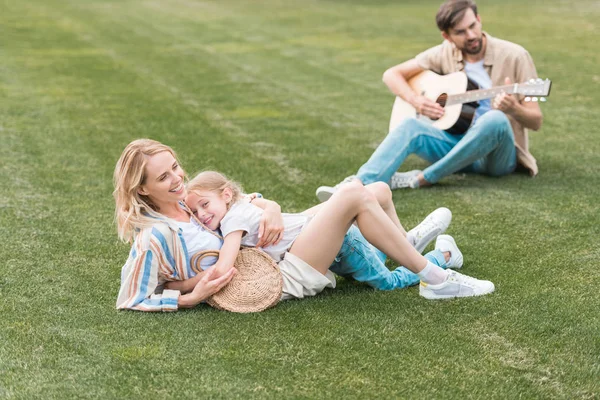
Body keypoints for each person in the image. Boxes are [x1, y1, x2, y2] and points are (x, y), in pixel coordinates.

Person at [113, 139, 454, 311]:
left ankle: (405, 244)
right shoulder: (154, 235)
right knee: (352, 195)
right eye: (164, 176)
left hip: (277, 248)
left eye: (175, 167)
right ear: (142, 188)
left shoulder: (186, 203)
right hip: (277, 272)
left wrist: (270, 206)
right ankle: (434, 270)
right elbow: (132, 296)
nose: (177, 179)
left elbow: (234, 205)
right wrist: (190, 296)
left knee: (374, 190)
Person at [316, 0, 543, 202]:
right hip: (454, 145)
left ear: (479, 19)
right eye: (461, 32)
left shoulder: (516, 56)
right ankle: (357, 186)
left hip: (495, 158)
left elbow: (536, 121)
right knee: (410, 126)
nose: (471, 35)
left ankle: (423, 178)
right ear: (447, 36)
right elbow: (391, 75)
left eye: (473, 26)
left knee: (495, 119)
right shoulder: (444, 52)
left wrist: (514, 109)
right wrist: (417, 101)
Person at [185, 170, 495, 302]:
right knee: (376, 191)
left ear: (226, 194)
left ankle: (436, 271)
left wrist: (187, 289)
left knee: (385, 278)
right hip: (306, 235)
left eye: (204, 206)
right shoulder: (237, 205)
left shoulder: (231, 221)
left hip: (306, 239)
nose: (201, 216)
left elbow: (225, 265)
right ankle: (408, 242)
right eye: (195, 212)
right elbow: (254, 199)